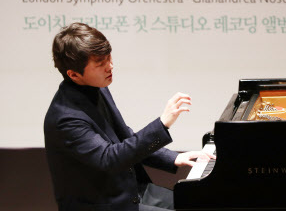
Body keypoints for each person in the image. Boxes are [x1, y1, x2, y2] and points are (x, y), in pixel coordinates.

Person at [44, 22, 214, 211]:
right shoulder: (65, 119)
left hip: (132, 191)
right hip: (106, 204)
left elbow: (123, 136)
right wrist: (162, 124)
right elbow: (110, 158)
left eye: (109, 57)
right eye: (100, 63)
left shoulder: (96, 87)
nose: (110, 66)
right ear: (74, 74)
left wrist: (173, 158)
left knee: (200, 202)